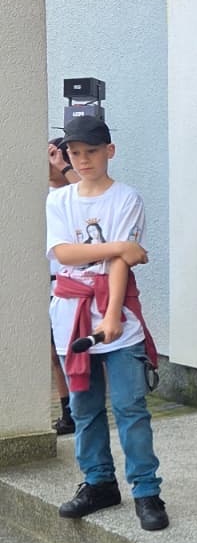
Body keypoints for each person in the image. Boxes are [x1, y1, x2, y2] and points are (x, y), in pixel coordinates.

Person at [46, 116, 168, 532]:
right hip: (71, 315)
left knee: (131, 406)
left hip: (118, 317)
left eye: (92, 152)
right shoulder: (59, 200)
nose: (83, 160)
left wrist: (113, 314)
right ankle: (98, 483)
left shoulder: (126, 198)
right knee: (84, 408)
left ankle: (146, 490)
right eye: (75, 153)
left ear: (109, 151)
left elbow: (119, 264)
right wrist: (120, 245)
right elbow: (63, 253)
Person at [48, 141, 77, 434]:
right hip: (46, 286)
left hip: (71, 285)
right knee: (54, 354)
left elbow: (90, 197)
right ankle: (67, 411)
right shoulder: (43, 194)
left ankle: (81, 409)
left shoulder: (76, 194)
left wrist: (64, 166)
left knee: (74, 353)